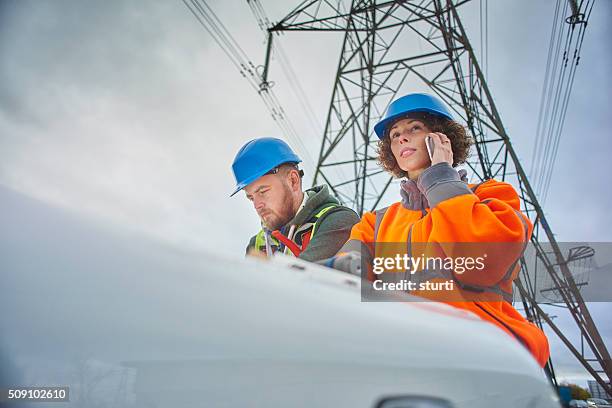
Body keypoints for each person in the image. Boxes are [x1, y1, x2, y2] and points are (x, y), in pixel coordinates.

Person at [327, 93, 550, 367]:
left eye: (414, 128)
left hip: (483, 353)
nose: (401, 138)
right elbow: (341, 277)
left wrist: (440, 176)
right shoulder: (375, 223)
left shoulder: (491, 196)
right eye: (394, 135)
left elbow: (481, 263)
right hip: (403, 354)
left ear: (442, 138)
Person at [231, 137, 360, 262]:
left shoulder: (338, 221)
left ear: (293, 181)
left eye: (263, 192)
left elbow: (303, 281)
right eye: (251, 198)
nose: (257, 205)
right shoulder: (257, 244)